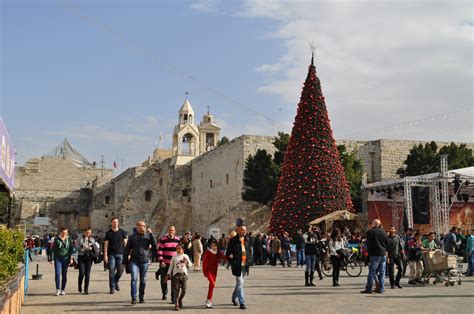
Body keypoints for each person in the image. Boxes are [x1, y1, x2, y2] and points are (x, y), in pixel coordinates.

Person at [123, 220, 157, 304]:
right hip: (134, 261)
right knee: (134, 278)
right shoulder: (132, 237)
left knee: (143, 280)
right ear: (137, 226)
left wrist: (151, 234)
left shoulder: (148, 236)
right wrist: (124, 261)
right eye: (142, 225)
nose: (144, 227)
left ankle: (141, 297)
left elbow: (155, 245)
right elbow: (127, 249)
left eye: (145, 226)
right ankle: (134, 297)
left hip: (144, 261)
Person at [226, 224, 251, 310]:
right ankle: (242, 302)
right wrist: (233, 262)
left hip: (245, 265)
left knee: (239, 284)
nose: (244, 231)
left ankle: (234, 298)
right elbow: (228, 253)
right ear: (238, 230)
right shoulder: (233, 240)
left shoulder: (247, 239)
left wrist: (249, 260)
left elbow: (248, 251)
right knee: (240, 283)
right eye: (242, 230)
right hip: (237, 266)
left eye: (245, 230)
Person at [361, 219, 389, 294]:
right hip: (383, 254)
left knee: (372, 271)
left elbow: (368, 244)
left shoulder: (370, 232)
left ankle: (369, 288)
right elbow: (387, 243)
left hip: (375, 254)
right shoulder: (383, 232)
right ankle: (381, 288)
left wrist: (369, 253)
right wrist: (385, 250)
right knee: (382, 272)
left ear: (373, 224)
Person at [103, 217, 128, 294]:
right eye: (113, 222)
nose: (115, 223)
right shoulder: (108, 233)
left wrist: (128, 253)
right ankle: (112, 287)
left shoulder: (122, 232)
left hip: (121, 254)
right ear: (111, 223)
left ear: (118, 223)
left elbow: (126, 243)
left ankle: (116, 281)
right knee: (111, 271)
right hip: (111, 255)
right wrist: (105, 255)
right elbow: (106, 245)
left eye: (116, 222)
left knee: (120, 271)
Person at [157, 225, 181, 301]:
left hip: (174, 263)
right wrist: (161, 261)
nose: (171, 232)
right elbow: (160, 250)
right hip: (165, 263)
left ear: (175, 231)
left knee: (174, 281)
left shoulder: (178, 239)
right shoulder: (163, 239)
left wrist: (180, 260)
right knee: (164, 280)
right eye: (170, 230)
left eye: (172, 230)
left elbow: (180, 251)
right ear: (168, 231)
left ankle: (173, 298)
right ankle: (164, 293)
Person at [202, 239, 226, 308]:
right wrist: (204, 271)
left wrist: (230, 257)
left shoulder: (218, 252)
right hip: (208, 270)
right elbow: (204, 262)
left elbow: (223, 258)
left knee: (211, 286)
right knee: (212, 284)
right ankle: (209, 300)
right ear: (210, 245)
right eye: (212, 245)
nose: (214, 247)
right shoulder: (207, 252)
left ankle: (208, 300)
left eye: (215, 245)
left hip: (214, 271)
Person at [167, 244, 191, 311]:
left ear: (183, 249)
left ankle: (180, 300)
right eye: (177, 249)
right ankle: (176, 304)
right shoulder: (174, 257)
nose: (178, 250)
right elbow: (171, 266)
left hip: (184, 275)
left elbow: (190, 265)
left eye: (179, 249)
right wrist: (168, 274)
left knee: (184, 290)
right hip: (176, 275)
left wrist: (187, 262)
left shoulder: (185, 256)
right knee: (176, 290)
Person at [51, 227, 74, 296]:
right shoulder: (56, 239)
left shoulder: (69, 239)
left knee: (64, 274)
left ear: (67, 232)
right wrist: (51, 259)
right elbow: (53, 249)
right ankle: (58, 289)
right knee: (57, 273)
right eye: (63, 232)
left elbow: (71, 249)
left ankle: (63, 289)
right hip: (58, 258)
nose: (64, 234)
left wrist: (71, 258)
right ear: (61, 232)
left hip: (66, 259)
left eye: (65, 232)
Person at [77, 228, 99, 294]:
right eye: (87, 232)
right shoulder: (80, 239)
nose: (88, 234)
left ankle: (86, 289)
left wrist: (92, 247)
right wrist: (82, 247)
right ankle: (79, 285)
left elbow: (96, 248)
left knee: (87, 273)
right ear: (84, 232)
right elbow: (75, 247)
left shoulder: (92, 240)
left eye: (89, 233)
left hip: (89, 257)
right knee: (82, 273)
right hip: (81, 256)